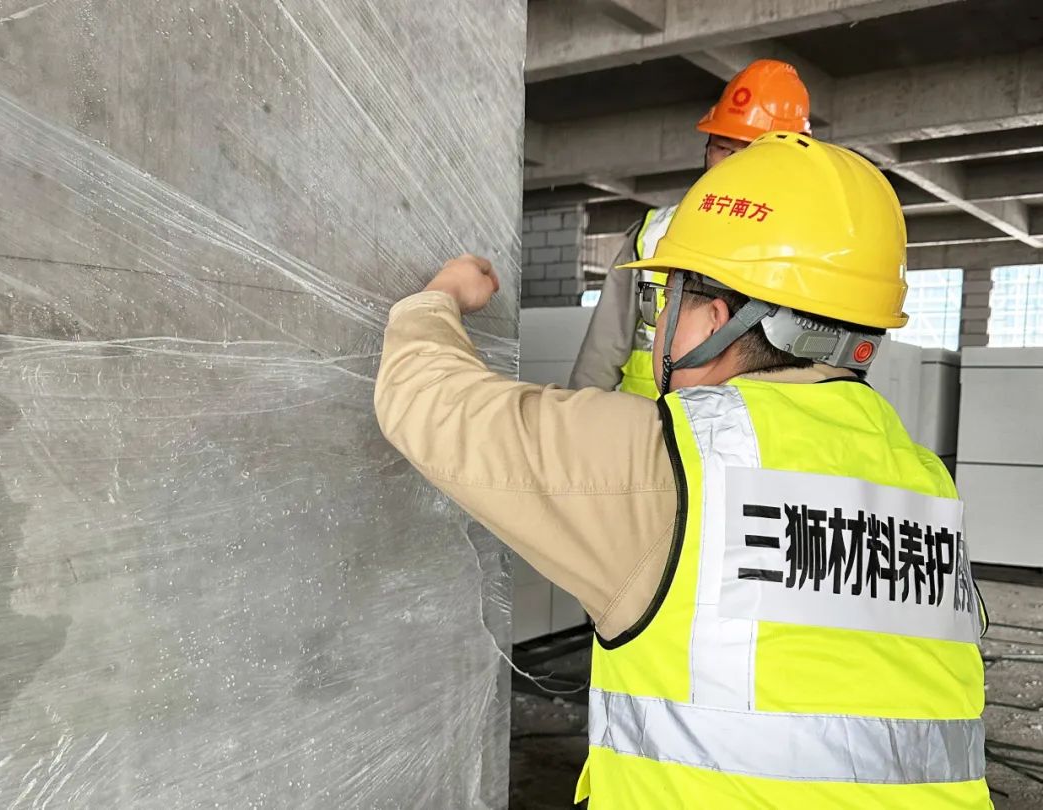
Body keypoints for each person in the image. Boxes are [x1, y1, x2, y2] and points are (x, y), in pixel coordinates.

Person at [375, 133, 989, 808]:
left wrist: (440, 296)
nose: (659, 321)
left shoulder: (670, 460)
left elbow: (427, 401)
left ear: (715, 319)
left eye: (665, 300)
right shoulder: (923, 479)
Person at [570, 59, 811, 400]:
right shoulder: (653, 234)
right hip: (651, 422)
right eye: (722, 148)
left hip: (748, 429)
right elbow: (600, 355)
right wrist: (579, 418)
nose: (730, 165)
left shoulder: (809, 248)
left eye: (749, 153)